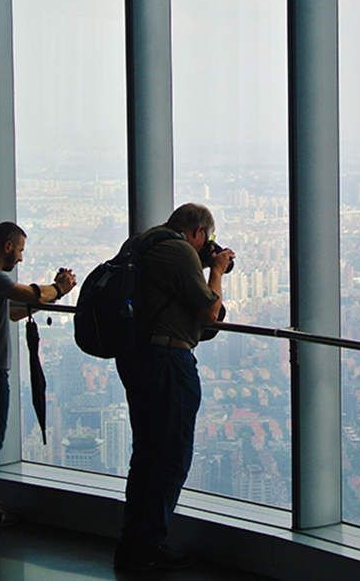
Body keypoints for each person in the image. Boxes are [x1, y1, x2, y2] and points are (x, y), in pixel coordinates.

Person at [113, 203, 234, 572]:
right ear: (198, 232)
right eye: (206, 240)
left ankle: (130, 544)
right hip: (168, 362)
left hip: (136, 359)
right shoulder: (179, 250)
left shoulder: (141, 242)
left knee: (147, 455)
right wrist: (216, 270)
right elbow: (211, 312)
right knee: (173, 458)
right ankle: (149, 546)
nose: (205, 246)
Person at [0, 222, 77, 529]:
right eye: (19, 250)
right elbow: (28, 293)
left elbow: (15, 309)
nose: (20, 258)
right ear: (7, 246)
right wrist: (59, 287)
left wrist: (48, 298)